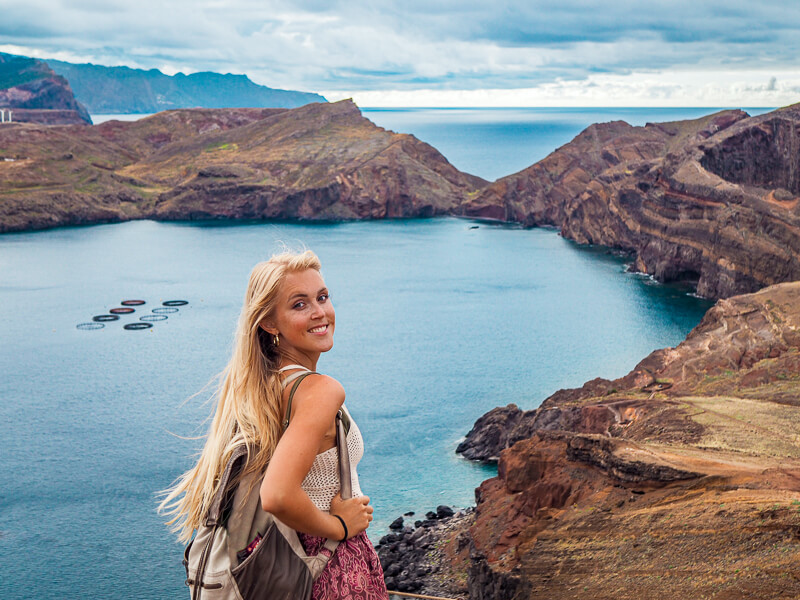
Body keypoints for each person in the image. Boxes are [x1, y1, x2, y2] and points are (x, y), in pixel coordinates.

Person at [160, 250, 389, 599]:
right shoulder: (319, 391)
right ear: (269, 323)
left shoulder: (258, 388)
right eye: (299, 305)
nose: (320, 313)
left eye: (322, 297)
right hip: (327, 569)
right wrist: (340, 525)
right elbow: (277, 495)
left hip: (283, 571)